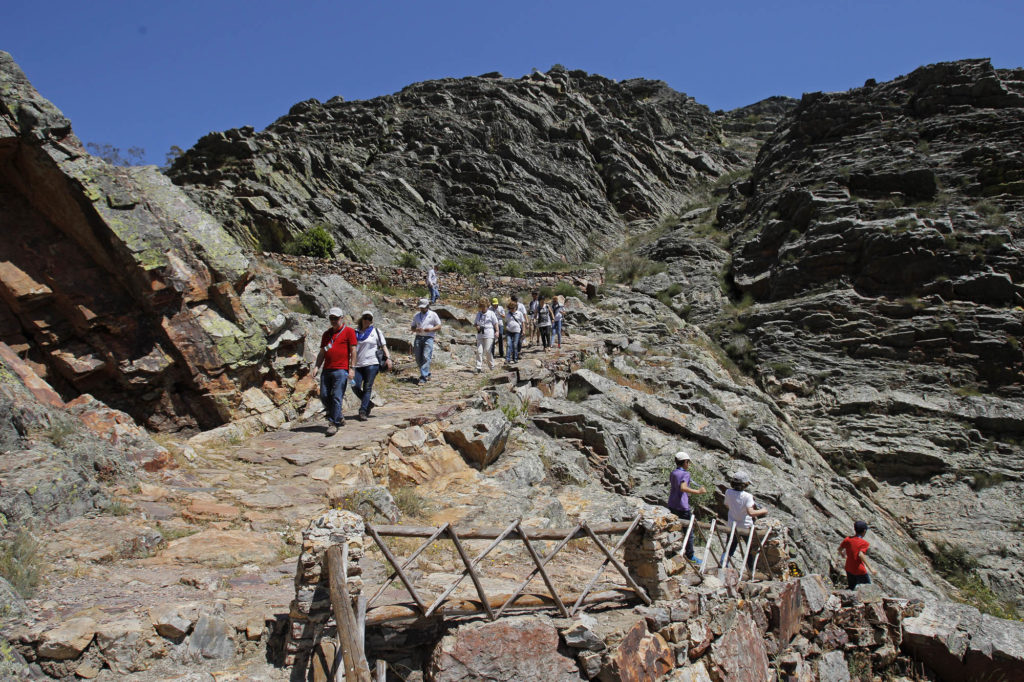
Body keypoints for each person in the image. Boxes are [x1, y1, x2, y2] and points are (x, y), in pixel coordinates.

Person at [312, 307, 357, 435]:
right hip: (327, 369)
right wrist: (316, 366)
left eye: (336, 318)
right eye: (331, 318)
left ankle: (333, 423)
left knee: (337, 396)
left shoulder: (349, 332)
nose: (333, 321)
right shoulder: (327, 334)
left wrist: (352, 368)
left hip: (341, 370)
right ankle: (338, 416)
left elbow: (353, 351)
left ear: (341, 318)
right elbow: (322, 352)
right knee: (325, 395)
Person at [723, 470, 768, 568]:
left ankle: (723, 565)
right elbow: (751, 512)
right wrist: (763, 511)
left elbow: (727, 505)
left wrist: (736, 510)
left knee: (730, 547)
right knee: (750, 549)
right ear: (744, 484)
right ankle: (750, 569)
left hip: (732, 524)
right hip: (745, 526)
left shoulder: (728, 492)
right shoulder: (748, 496)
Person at [667, 451, 707, 563]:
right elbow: (683, 488)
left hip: (672, 503)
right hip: (682, 506)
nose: (688, 464)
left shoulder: (673, 473)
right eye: (688, 462)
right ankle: (690, 555)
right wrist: (698, 491)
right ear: (685, 462)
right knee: (689, 532)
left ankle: (672, 550)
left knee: (673, 528)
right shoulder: (685, 474)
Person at [352, 310, 390, 421]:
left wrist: (388, 359)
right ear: (362, 319)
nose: (367, 320)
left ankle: (363, 411)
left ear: (371, 321)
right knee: (355, 385)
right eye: (365, 318)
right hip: (358, 364)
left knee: (367, 387)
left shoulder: (376, 331)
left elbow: (384, 346)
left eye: (369, 318)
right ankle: (368, 403)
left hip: (372, 363)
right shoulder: (355, 332)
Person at [411, 298, 442, 385]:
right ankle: (427, 373)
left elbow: (439, 326)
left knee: (426, 356)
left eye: (423, 307)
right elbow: (412, 327)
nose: (422, 309)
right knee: (418, 357)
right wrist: (416, 329)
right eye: (421, 307)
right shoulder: (416, 316)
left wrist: (431, 329)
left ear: (427, 306)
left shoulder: (433, 315)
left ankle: (423, 377)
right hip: (418, 337)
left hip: (429, 337)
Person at [839, 521, 873, 590]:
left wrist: (842, 554)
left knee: (852, 587)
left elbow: (840, 549)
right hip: (859, 570)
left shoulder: (847, 539)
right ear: (864, 531)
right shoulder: (864, 543)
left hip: (849, 567)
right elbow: (861, 554)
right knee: (868, 589)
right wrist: (871, 568)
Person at [473, 297, 500, 373]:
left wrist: (497, 331)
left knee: (488, 350)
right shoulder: (478, 314)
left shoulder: (491, 313)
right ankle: (478, 367)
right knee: (479, 351)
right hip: (480, 334)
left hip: (489, 333)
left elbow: (495, 323)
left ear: (487, 306)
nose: (483, 308)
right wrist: (477, 326)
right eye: (481, 306)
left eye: (484, 306)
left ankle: (491, 366)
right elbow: (475, 323)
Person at [504, 299, 526, 364]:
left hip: (517, 331)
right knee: (508, 344)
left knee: (515, 344)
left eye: (512, 308)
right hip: (509, 331)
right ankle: (507, 359)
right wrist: (506, 329)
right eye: (510, 308)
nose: (511, 309)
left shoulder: (519, 313)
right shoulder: (508, 314)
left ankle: (515, 358)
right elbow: (506, 322)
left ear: (515, 307)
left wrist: (524, 330)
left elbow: (523, 322)